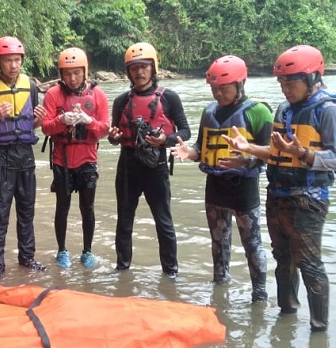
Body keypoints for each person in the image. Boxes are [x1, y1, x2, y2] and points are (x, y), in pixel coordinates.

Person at [223, 45, 335, 331]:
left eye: (291, 81)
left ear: (311, 78)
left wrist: (306, 155)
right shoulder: (284, 110)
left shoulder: (327, 110)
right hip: (278, 194)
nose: (285, 88)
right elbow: (276, 154)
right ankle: (287, 317)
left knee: (309, 264)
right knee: (282, 258)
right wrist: (248, 150)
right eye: (281, 82)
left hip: (308, 199)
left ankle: (318, 329)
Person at [170, 55, 270, 302]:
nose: (217, 94)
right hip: (215, 187)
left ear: (240, 84)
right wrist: (189, 152)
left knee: (252, 243)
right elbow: (201, 148)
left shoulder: (259, 112)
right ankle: (220, 288)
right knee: (218, 241)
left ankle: (259, 293)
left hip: (243, 188)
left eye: (223, 88)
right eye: (214, 89)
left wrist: (245, 159)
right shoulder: (209, 112)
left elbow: (271, 154)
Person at [108, 42, 191, 278]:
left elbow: (186, 132)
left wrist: (166, 140)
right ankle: (122, 271)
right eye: (134, 68)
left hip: (157, 167)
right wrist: (113, 137)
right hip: (128, 166)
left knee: (164, 222)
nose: (139, 72)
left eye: (144, 67)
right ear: (128, 72)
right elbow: (116, 137)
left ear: (153, 68)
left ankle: (170, 273)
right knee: (124, 221)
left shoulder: (169, 98)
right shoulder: (122, 101)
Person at [0, 36, 47, 281]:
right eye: (8, 60)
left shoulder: (31, 86)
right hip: (0, 158)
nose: (13, 65)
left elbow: (34, 125)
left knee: (27, 211)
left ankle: (27, 257)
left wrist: (39, 119)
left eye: (17, 60)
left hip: (25, 157)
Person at [41, 47, 109, 268]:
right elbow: (46, 128)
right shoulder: (53, 95)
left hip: (87, 159)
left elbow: (103, 131)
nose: (72, 78)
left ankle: (87, 251)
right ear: (61, 75)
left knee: (87, 208)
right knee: (63, 206)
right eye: (67, 74)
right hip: (62, 160)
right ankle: (62, 250)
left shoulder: (98, 95)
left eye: (77, 73)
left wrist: (89, 121)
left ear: (85, 72)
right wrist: (62, 119)